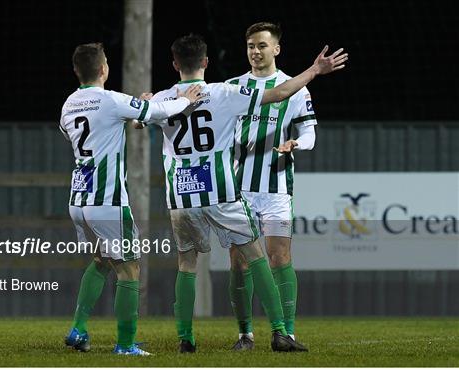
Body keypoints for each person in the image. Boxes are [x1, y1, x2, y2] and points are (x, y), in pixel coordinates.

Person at [137, 34, 347, 353]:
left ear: (175, 63)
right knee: (255, 256)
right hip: (222, 189)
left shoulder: (164, 98)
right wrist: (314, 70)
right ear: (206, 62)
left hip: (182, 194)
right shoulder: (225, 92)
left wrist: (146, 102)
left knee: (186, 264)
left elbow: (138, 121)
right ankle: (279, 332)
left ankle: (186, 340)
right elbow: (280, 92)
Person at [59, 42, 202, 356]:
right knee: (130, 269)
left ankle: (78, 329)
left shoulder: (69, 104)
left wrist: (136, 108)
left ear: (76, 71)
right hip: (107, 200)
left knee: (100, 261)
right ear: (103, 69)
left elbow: (73, 132)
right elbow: (156, 112)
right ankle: (125, 344)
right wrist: (184, 100)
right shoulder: (111, 100)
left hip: (79, 199)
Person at [226, 21, 318, 352]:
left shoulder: (294, 88)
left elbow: (310, 132)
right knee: (239, 262)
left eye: (262, 45)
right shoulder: (233, 87)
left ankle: (286, 334)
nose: (255, 51)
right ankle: (245, 334)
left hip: (277, 189)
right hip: (240, 193)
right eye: (251, 45)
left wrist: (297, 144)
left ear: (276, 49)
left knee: (280, 258)